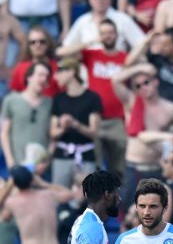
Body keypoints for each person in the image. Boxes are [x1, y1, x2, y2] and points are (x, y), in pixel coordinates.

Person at [59, 19, 128, 177]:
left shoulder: (124, 57)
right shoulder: (92, 55)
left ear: (117, 34)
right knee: (94, 167)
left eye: (111, 32)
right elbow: (62, 53)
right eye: (103, 33)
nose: (107, 36)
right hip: (94, 118)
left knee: (119, 168)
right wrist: (91, 42)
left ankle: (118, 200)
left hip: (117, 119)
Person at [112, 62, 173, 208]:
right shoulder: (132, 101)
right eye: (137, 85)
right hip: (134, 165)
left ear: (156, 81)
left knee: (156, 211)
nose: (143, 87)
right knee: (128, 211)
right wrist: (141, 68)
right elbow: (115, 80)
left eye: (146, 82)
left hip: (157, 166)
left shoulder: (170, 108)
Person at [50, 58, 103, 188]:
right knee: (59, 195)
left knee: (89, 199)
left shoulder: (92, 98)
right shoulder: (58, 98)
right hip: (62, 155)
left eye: (60, 72)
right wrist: (63, 127)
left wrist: (75, 124)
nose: (56, 77)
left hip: (85, 155)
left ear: (71, 72)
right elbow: (53, 133)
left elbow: (94, 132)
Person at [62, 0, 145, 53]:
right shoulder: (83, 21)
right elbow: (66, 47)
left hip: (118, 66)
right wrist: (90, 43)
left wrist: (129, 60)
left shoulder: (122, 19)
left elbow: (141, 43)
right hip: (89, 66)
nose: (100, 0)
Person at [1, 61, 52, 168]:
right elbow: (4, 133)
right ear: (29, 77)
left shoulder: (50, 103)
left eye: (47, 76)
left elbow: (53, 136)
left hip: (41, 167)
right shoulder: (11, 100)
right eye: (40, 75)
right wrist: (10, 161)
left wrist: (46, 162)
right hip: (17, 164)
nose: (44, 79)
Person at [125, 27, 173, 105]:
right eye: (161, 44)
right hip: (160, 108)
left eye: (166, 45)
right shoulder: (157, 58)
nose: (161, 48)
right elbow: (129, 62)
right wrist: (146, 41)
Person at [9, 25, 60, 97]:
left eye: (42, 41)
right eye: (33, 42)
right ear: (28, 45)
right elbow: (14, 95)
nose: (37, 45)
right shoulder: (20, 68)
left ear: (48, 44)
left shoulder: (57, 67)